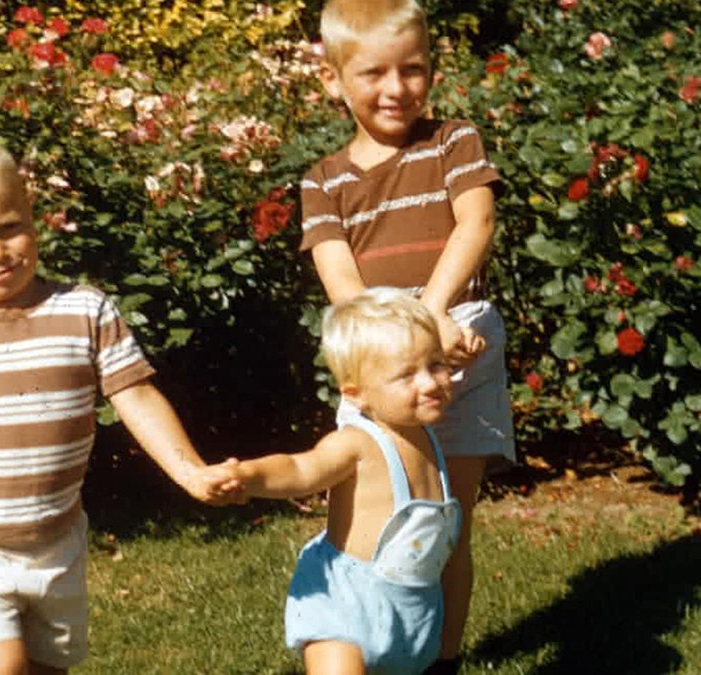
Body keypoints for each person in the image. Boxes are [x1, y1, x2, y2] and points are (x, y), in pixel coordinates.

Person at [0, 136, 237, 675]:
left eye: (9, 228)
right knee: (0, 667)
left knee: (49, 668)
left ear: (33, 220)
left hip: (55, 537)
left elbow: (136, 394)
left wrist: (190, 471)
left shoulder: (85, 311)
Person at [299, 1, 518, 672]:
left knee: (448, 521)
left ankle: (440, 660)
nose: (397, 89)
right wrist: (413, 331)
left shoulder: (453, 140)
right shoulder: (323, 180)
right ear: (332, 79)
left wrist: (435, 309)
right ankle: (366, 641)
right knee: (370, 517)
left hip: (462, 334)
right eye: (373, 73)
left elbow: (474, 225)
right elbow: (340, 275)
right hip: (380, 345)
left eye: (413, 69)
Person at [221, 288, 461, 674]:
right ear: (357, 394)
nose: (430, 383)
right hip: (346, 606)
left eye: (436, 364)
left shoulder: (427, 435)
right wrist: (247, 476)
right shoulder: (358, 443)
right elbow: (300, 470)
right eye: (407, 374)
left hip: (412, 612)